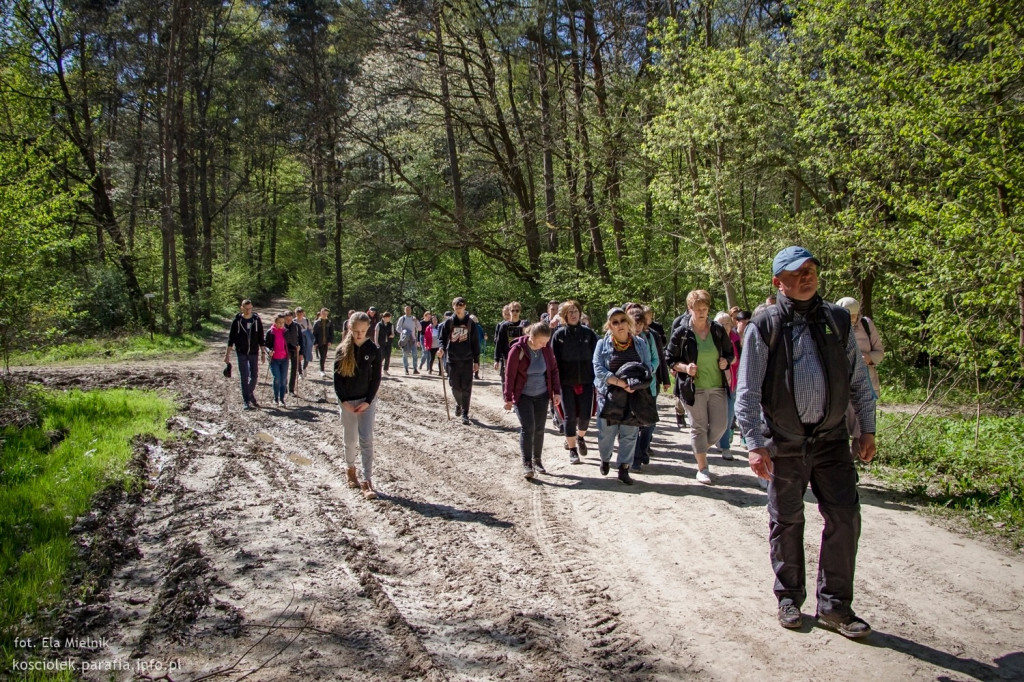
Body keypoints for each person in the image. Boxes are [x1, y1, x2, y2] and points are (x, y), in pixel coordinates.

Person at [736, 246, 877, 638]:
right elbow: (746, 391)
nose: (807, 276)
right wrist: (753, 442)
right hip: (783, 443)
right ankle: (788, 598)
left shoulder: (836, 319)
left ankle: (835, 606)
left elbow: (858, 380)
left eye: (811, 269)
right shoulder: (764, 325)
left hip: (832, 441)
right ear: (778, 282)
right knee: (787, 520)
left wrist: (867, 428)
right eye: (797, 272)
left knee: (845, 518)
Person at [665, 290, 734, 484]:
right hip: (693, 388)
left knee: (721, 426)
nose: (702, 312)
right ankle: (702, 468)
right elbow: (669, 359)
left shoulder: (717, 330)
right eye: (698, 309)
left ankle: (700, 448)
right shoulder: (682, 333)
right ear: (690, 309)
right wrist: (686, 368)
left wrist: (725, 362)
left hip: (717, 385)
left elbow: (731, 354)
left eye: (705, 308)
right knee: (698, 426)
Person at [593, 308, 655, 486]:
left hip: (633, 395)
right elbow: (598, 370)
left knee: (630, 433)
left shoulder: (640, 343)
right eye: (615, 322)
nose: (620, 324)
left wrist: (636, 382)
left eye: (622, 320)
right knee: (606, 433)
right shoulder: (602, 345)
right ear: (609, 326)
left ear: (628, 322)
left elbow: (648, 365)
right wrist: (620, 383)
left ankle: (624, 468)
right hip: (610, 395)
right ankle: (605, 458)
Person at [333, 312, 383, 500]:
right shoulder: (342, 350)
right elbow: (337, 379)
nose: (359, 334)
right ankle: (350, 469)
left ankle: (367, 480)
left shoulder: (374, 349)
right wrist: (343, 401)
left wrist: (368, 401)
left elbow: (376, 378)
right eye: (356, 331)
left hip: (366, 402)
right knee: (350, 439)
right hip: (347, 401)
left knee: (366, 439)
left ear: (368, 329)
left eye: (362, 331)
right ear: (350, 329)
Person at [503, 323, 561, 478]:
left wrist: (557, 391)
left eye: (546, 342)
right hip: (523, 395)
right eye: (542, 341)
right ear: (532, 337)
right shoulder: (518, 350)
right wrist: (508, 397)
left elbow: (554, 370)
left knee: (540, 428)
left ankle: (538, 460)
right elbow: (510, 375)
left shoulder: (546, 350)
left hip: (542, 395)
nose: (544, 345)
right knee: (528, 428)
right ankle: (527, 462)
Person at [551, 300, 599, 464]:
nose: (573, 315)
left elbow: (598, 356)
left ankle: (580, 437)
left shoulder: (588, 334)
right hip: (566, 383)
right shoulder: (559, 335)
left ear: (580, 314)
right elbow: (553, 361)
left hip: (586, 381)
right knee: (569, 417)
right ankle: (572, 450)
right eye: (569, 312)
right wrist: (553, 384)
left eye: (575, 311)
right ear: (564, 316)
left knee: (585, 416)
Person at [836, 297, 884, 460]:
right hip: (839, 387)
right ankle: (843, 467)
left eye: (854, 316)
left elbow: (879, 353)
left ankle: (853, 465)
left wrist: (867, 358)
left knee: (861, 429)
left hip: (865, 384)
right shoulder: (831, 326)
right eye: (847, 316)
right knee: (838, 431)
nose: (851, 320)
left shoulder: (866, 325)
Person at [629, 306, 663, 471]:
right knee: (634, 423)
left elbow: (656, 359)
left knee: (649, 423)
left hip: (649, 385)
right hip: (632, 388)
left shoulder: (649, 338)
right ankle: (635, 458)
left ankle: (643, 449)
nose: (637, 328)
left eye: (639, 324)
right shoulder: (624, 339)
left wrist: (649, 371)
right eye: (634, 324)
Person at [437, 297, 480, 425]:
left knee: (467, 387)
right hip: (453, 359)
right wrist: (441, 349)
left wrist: (476, 361)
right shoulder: (449, 323)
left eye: (461, 305)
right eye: (456, 305)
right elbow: (442, 339)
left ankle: (465, 413)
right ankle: (459, 403)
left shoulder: (470, 323)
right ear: (453, 307)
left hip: (467, 359)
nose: (459, 307)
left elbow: (475, 343)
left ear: (465, 306)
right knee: (455, 386)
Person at [225, 299, 265, 410]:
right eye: (246, 308)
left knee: (254, 376)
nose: (248, 311)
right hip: (241, 352)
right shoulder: (237, 321)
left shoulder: (256, 320)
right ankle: (246, 401)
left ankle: (249, 392)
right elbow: (231, 339)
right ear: (241, 308)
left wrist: (262, 352)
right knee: (244, 377)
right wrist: (227, 354)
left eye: (250, 308)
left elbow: (261, 338)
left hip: (253, 352)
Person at [714, 311, 742, 455]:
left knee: (729, 414)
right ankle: (715, 440)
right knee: (714, 415)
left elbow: (738, 358)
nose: (724, 326)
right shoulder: (711, 337)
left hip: (731, 382)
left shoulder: (734, 338)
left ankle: (725, 446)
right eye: (721, 323)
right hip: (713, 383)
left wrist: (727, 360)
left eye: (727, 323)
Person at [493, 302, 527, 386]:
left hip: (521, 357)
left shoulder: (523, 325)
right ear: (510, 311)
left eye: (517, 310)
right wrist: (496, 359)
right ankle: (507, 397)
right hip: (507, 356)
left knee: (520, 380)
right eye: (512, 310)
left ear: (520, 312)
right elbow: (499, 343)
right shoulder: (504, 326)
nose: (515, 312)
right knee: (507, 379)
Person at [265, 313, 290, 406]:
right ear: (275, 322)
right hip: (274, 359)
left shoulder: (286, 332)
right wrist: (269, 351)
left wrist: (297, 347)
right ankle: (276, 398)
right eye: (279, 322)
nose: (281, 324)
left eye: (282, 323)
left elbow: (289, 344)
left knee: (283, 379)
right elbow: (266, 345)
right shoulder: (270, 332)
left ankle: (282, 399)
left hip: (284, 359)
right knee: (277, 378)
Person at [395, 305, 421, 375]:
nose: (408, 311)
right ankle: (406, 369)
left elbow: (420, 328)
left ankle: (415, 369)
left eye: (409, 309)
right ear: (404, 311)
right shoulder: (402, 318)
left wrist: (416, 322)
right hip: (405, 339)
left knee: (415, 354)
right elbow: (397, 328)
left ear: (411, 310)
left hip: (413, 339)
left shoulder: (414, 318)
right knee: (405, 354)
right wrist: (403, 332)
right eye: (406, 310)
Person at [282, 310, 302, 395]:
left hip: (295, 350)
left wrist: (301, 353)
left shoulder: (297, 326)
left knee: (294, 370)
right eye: (286, 319)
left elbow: (301, 340)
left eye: (290, 319)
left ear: (292, 318)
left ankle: (291, 389)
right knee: (284, 369)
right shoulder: (281, 326)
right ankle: (284, 387)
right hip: (284, 351)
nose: (288, 321)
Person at [313, 308, 335, 377]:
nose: (325, 315)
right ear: (321, 313)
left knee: (324, 356)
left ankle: (322, 369)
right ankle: (322, 370)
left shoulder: (329, 322)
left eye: (326, 314)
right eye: (324, 313)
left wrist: (330, 341)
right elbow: (314, 333)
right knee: (322, 356)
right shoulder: (317, 322)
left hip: (326, 342)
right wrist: (315, 342)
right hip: (319, 342)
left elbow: (331, 333)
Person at [374, 311, 394, 376]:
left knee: (387, 357)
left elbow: (393, 333)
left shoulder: (391, 325)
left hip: (388, 343)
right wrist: (376, 343)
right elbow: (376, 335)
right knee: (380, 357)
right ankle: (377, 370)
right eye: (388, 317)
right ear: (384, 317)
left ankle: (385, 370)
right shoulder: (379, 325)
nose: (389, 319)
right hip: (381, 343)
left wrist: (392, 335)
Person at [294, 307, 314, 373]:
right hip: (297, 339)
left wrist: (310, 337)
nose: (300, 315)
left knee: (307, 353)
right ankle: (300, 372)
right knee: (298, 355)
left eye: (301, 314)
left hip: (306, 339)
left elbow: (311, 329)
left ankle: (304, 368)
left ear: (303, 314)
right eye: (298, 314)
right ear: (296, 314)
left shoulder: (306, 320)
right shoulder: (294, 321)